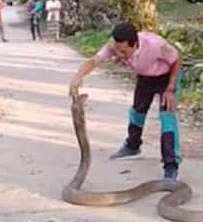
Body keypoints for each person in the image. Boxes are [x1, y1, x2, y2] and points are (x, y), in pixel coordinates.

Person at [68, 22, 184, 180]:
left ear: (135, 44)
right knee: (137, 111)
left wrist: (170, 89)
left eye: (123, 51)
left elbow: (177, 59)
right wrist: (77, 77)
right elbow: (94, 61)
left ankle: (171, 165)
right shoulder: (114, 45)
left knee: (166, 117)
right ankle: (132, 146)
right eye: (117, 51)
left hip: (167, 77)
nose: (119, 55)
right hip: (145, 77)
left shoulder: (155, 44)